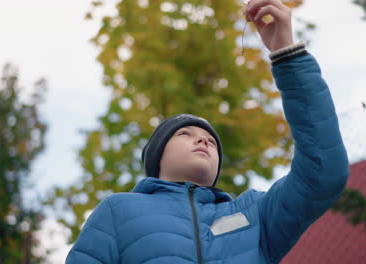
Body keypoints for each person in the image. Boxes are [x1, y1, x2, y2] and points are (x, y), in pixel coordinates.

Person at [65, 0, 349, 263]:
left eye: (212, 141)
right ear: (157, 156)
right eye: (184, 134)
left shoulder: (255, 214)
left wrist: (288, 54)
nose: (203, 139)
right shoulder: (118, 211)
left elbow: (323, 172)